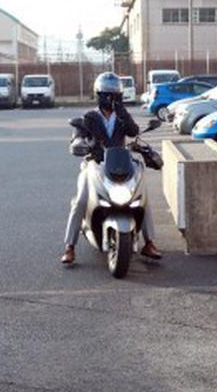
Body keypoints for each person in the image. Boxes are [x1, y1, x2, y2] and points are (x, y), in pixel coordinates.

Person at [61, 72, 162, 265]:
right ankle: (69, 247)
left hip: (119, 161)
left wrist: (122, 111)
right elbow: (77, 138)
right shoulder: (89, 117)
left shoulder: (122, 116)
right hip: (95, 163)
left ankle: (149, 243)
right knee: (81, 200)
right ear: (99, 95)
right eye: (108, 95)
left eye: (115, 95)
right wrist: (81, 144)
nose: (111, 99)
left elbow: (133, 132)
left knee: (143, 197)